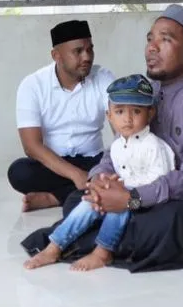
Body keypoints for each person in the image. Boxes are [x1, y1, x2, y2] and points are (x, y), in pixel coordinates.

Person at [20, 4, 183, 271]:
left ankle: (87, 240)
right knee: (79, 200)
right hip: (143, 193)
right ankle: (105, 237)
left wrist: (131, 199)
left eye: (165, 40)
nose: (152, 47)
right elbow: (119, 146)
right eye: (150, 39)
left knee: (168, 223)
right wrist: (99, 180)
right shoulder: (146, 91)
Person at [23, 74, 175, 273]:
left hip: (143, 200)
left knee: (118, 207)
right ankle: (55, 246)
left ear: (150, 113)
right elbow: (108, 170)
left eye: (136, 111)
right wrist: (103, 185)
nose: (127, 119)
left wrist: (122, 188)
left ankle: (103, 251)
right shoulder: (117, 145)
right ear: (109, 116)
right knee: (87, 203)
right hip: (121, 191)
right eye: (120, 112)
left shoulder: (153, 145)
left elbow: (160, 179)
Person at [10, 19, 115, 211]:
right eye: (78, 51)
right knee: (19, 172)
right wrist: (76, 175)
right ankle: (83, 190)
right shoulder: (32, 85)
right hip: (53, 164)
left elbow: (121, 130)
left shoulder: (103, 78)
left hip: (94, 161)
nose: (87, 57)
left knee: (121, 167)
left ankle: (55, 198)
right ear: (56, 55)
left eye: (90, 49)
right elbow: (32, 146)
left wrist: (110, 166)